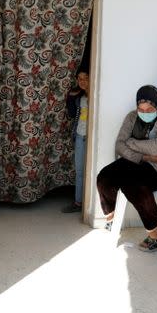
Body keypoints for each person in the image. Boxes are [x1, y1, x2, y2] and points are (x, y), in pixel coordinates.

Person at [96, 85, 157, 252]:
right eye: (140, 109)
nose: (144, 113)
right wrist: (144, 156)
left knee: (132, 183)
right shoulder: (131, 117)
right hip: (139, 161)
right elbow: (119, 146)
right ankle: (113, 218)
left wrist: (131, 143)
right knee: (105, 176)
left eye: (149, 109)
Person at [62, 71, 90, 214]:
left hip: (91, 137)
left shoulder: (96, 95)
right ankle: (78, 202)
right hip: (80, 135)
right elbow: (72, 114)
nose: (82, 81)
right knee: (79, 171)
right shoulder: (79, 97)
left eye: (86, 78)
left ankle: (91, 204)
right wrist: (70, 98)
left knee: (91, 171)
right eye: (80, 79)